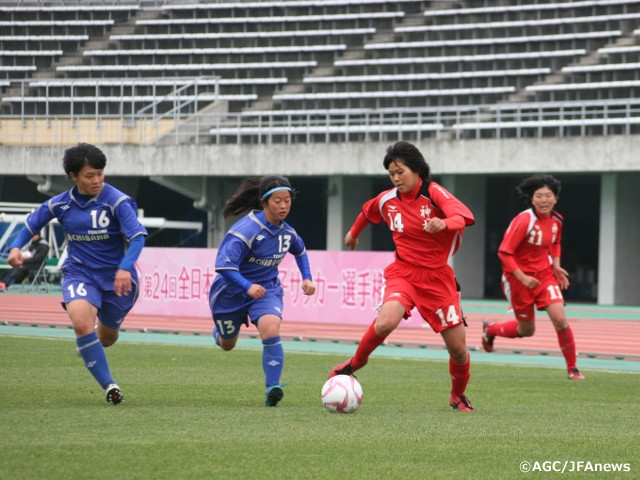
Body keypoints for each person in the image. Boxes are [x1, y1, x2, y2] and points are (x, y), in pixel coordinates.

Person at [327, 141, 476, 412]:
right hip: (403, 272)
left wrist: (444, 223)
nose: (396, 178)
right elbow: (367, 212)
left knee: (458, 350)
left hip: (438, 278)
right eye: (391, 174)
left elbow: (465, 215)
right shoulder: (387, 199)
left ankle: (457, 395)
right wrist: (353, 233)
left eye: (400, 172)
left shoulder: (434, 193)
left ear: (417, 169)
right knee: (386, 321)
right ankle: (356, 363)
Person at [6, 142, 147, 404]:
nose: (97, 180)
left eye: (100, 173)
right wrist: (16, 247)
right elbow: (30, 223)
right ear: (73, 176)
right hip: (79, 272)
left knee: (106, 338)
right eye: (89, 175)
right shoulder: (60, 204)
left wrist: (125, 268)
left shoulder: (117, 201)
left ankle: (91, 341)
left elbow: (138, 237)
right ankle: (110, 387)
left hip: (117, 278)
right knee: (82, 324)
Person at [209, 175, 316, 406]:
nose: (284, 205)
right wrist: (247, 287)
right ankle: (219, 334)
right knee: (228, 344)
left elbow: (300, 250)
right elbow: (224, 266)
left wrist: (307, 278)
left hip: (267, 290)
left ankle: (272, 389)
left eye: (287, 200)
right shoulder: (246, 231)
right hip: (230, 292)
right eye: (277, 200)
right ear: (264, 202)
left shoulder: (287, 233)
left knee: (270, 328)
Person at [482, 174, 585, 381]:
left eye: (548, 195)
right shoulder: (524, 220)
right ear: (532, 199)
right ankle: (491, 330)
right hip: (518, 280)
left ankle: (572, 368)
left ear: (555, 198)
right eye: (539, 196)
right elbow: (504, 253)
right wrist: (522, 277)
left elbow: (555, 242)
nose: (544, 200)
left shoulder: (557, 220)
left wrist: (556, 266)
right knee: (526, 330)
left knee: (560, 319)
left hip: (545, 276)